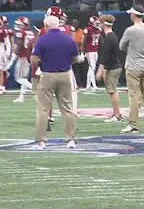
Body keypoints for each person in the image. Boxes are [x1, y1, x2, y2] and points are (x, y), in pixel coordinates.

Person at [30, 15, 81, 149]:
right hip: (65, 74)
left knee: (43, 109)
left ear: (46, 26)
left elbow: (34, 59)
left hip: (47, 74)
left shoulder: (42, 40)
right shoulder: (68, 38)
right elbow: (76, 58)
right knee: (67, 108)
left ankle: (41, 141)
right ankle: (70, 139)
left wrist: (42, 63)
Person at [119, 6, 144, 133]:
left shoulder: (130, 30)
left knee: (134, 95)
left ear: (134, 15)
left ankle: (133, 124)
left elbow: (122, 46)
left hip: (133, 66)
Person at [97, 14, 123, 123]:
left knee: (113, 91)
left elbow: (105, 55)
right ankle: (116, 114)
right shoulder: (111, 36)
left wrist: (100, 69)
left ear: (103, 24)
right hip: (112, 67)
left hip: (113, 67)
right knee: (112, 91)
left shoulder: (109, 37)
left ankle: (117, 115)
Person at [8, 16, 35, 103]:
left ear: (25, 25)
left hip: (23, 57)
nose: (18, 26)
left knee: (19, 78)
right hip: (29, 56)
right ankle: (21, 97)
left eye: (20, 24)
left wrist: (14, 56)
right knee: (23, 78)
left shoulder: (21, 33)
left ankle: (36, 90)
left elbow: (20, 46)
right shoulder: (31, 33)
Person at [83, 16, 102, 91]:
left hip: (95, 50)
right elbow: (83, 40)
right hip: (89, 51)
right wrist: (83, 50)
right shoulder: (88, 29)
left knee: (91, 68)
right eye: (96, 22)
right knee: (92, 67)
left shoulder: (98, 30)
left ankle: (88, 86)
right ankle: (94, 85)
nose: (97, 24)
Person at [0, 16, 12, 94]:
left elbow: (7, 42)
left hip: (1, 50)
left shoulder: (3, 31)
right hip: (2, 50)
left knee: (1, 70)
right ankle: (2, 86)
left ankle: (1, 87)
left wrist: (8, 52)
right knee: (2, 70)